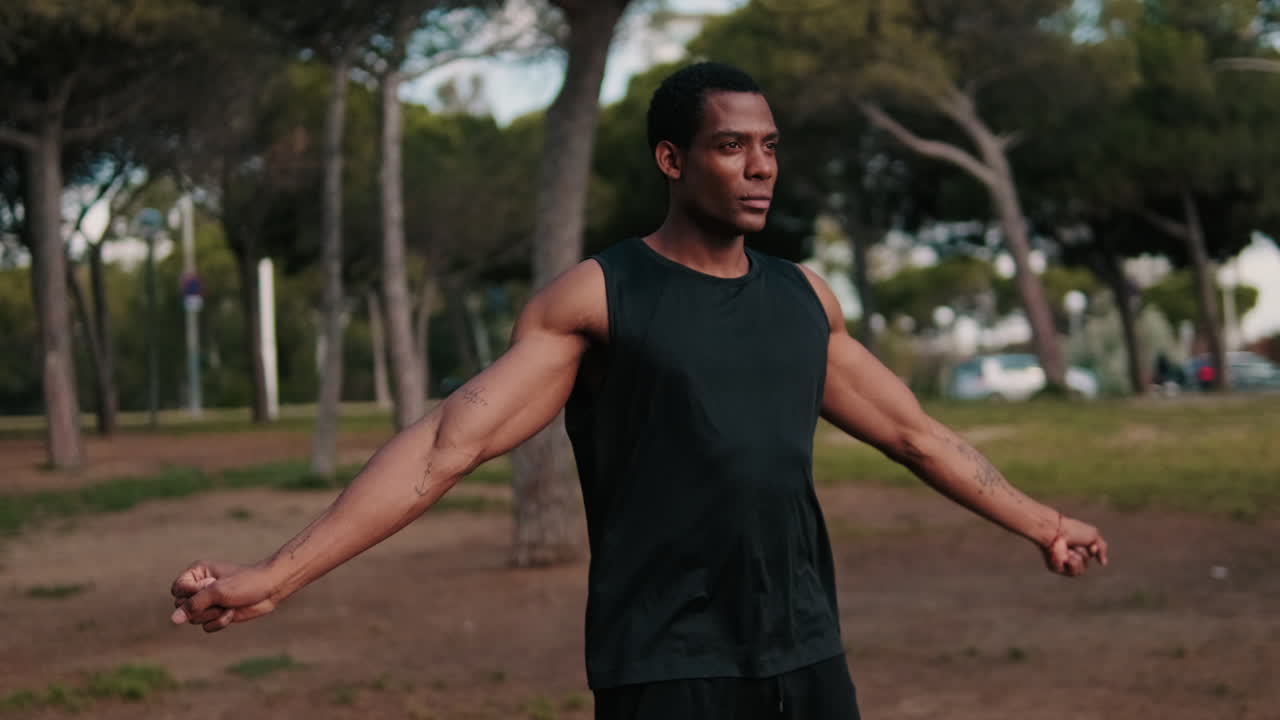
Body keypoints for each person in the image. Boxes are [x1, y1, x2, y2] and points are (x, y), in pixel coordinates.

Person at [170, 62, 1109, 719]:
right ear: (672, 160)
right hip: (665, 664)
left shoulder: (801, 298)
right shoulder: (602, 298)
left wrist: (1042, 521)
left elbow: (917, 434)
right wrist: (277, 576)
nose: (761, 166)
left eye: (770, 146)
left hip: (804, 650)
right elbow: (444, 444)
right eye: (732, 146)